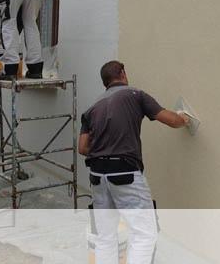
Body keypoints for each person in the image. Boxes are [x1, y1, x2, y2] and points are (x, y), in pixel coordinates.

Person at [79, 60, 188, 264]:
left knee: (105, 237)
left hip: (97, 176)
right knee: (144, 235)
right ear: (122, 73)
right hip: (125, 173)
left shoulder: (92, 108)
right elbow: (171, 120)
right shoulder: (135, 95)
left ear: (104, 82)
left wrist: (104, 147)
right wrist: (183, 119)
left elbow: (83, 148)